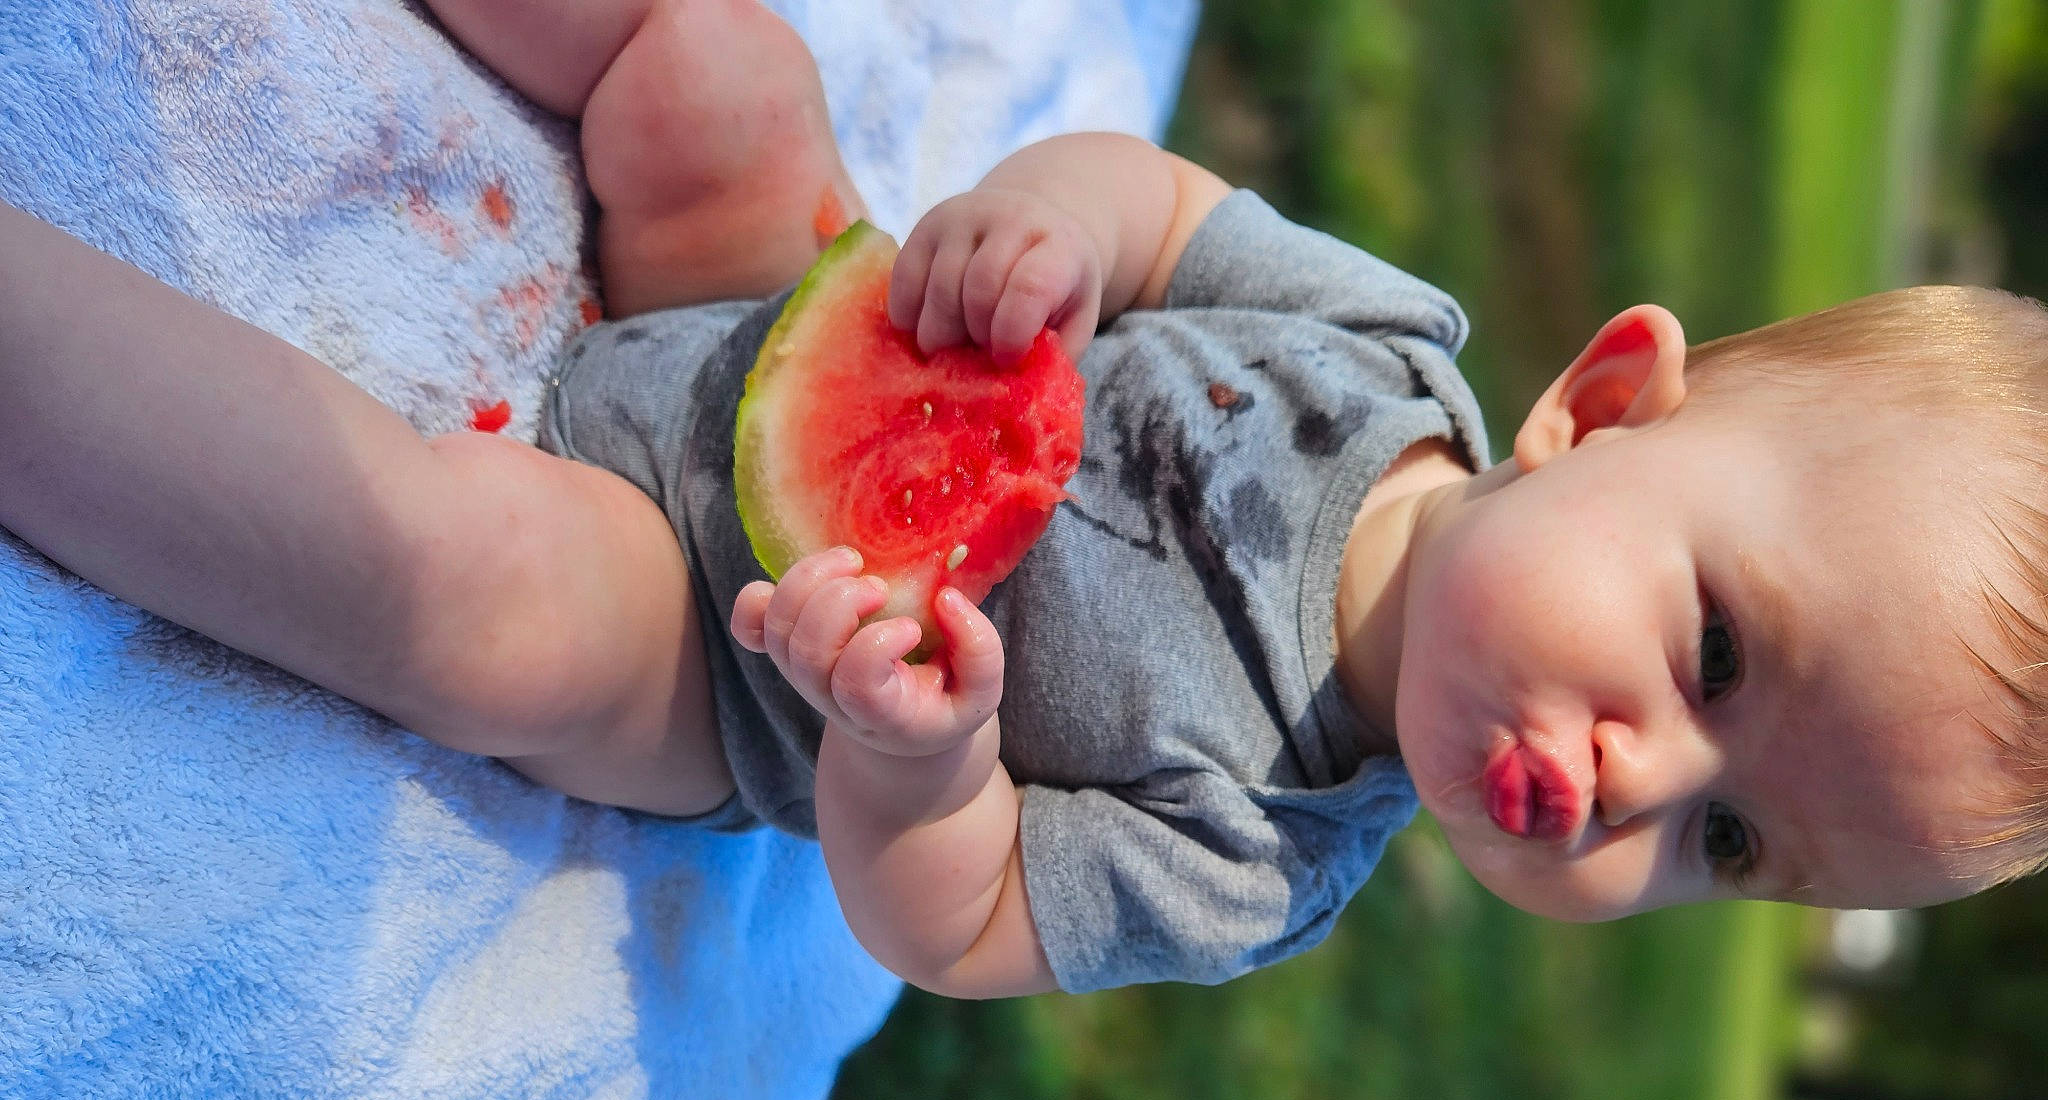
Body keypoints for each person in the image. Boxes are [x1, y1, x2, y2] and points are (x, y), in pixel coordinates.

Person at [0, 0, 2035, 998]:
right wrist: (1030, 242)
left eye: (1733, 842)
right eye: (1712, 654)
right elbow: (1144, 211)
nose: (1635, 779)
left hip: (710, 668)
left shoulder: (1260, 865)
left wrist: (921, 761)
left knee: (473, 593)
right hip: (793, 311)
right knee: (706, 57)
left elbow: (953, 923)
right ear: (1597, 409)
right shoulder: (1383, 344)